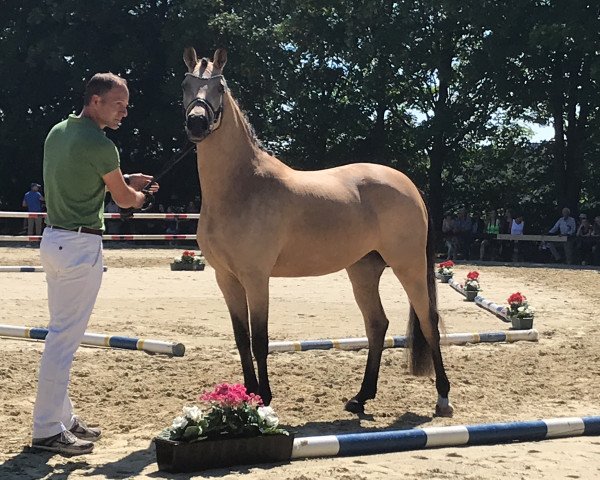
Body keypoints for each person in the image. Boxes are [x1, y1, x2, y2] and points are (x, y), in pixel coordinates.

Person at [31, 72, 159, 456]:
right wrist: (140, 195)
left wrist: (122, 178)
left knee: (60, 334)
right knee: (63, 342)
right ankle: (46, 429)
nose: (124, 112)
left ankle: (63, 419)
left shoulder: (58, 132)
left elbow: (84, 176)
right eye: (118, 104)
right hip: (80, 244)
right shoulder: (103, 145)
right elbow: (124, 200)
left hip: (54, 239)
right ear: (96, 100)